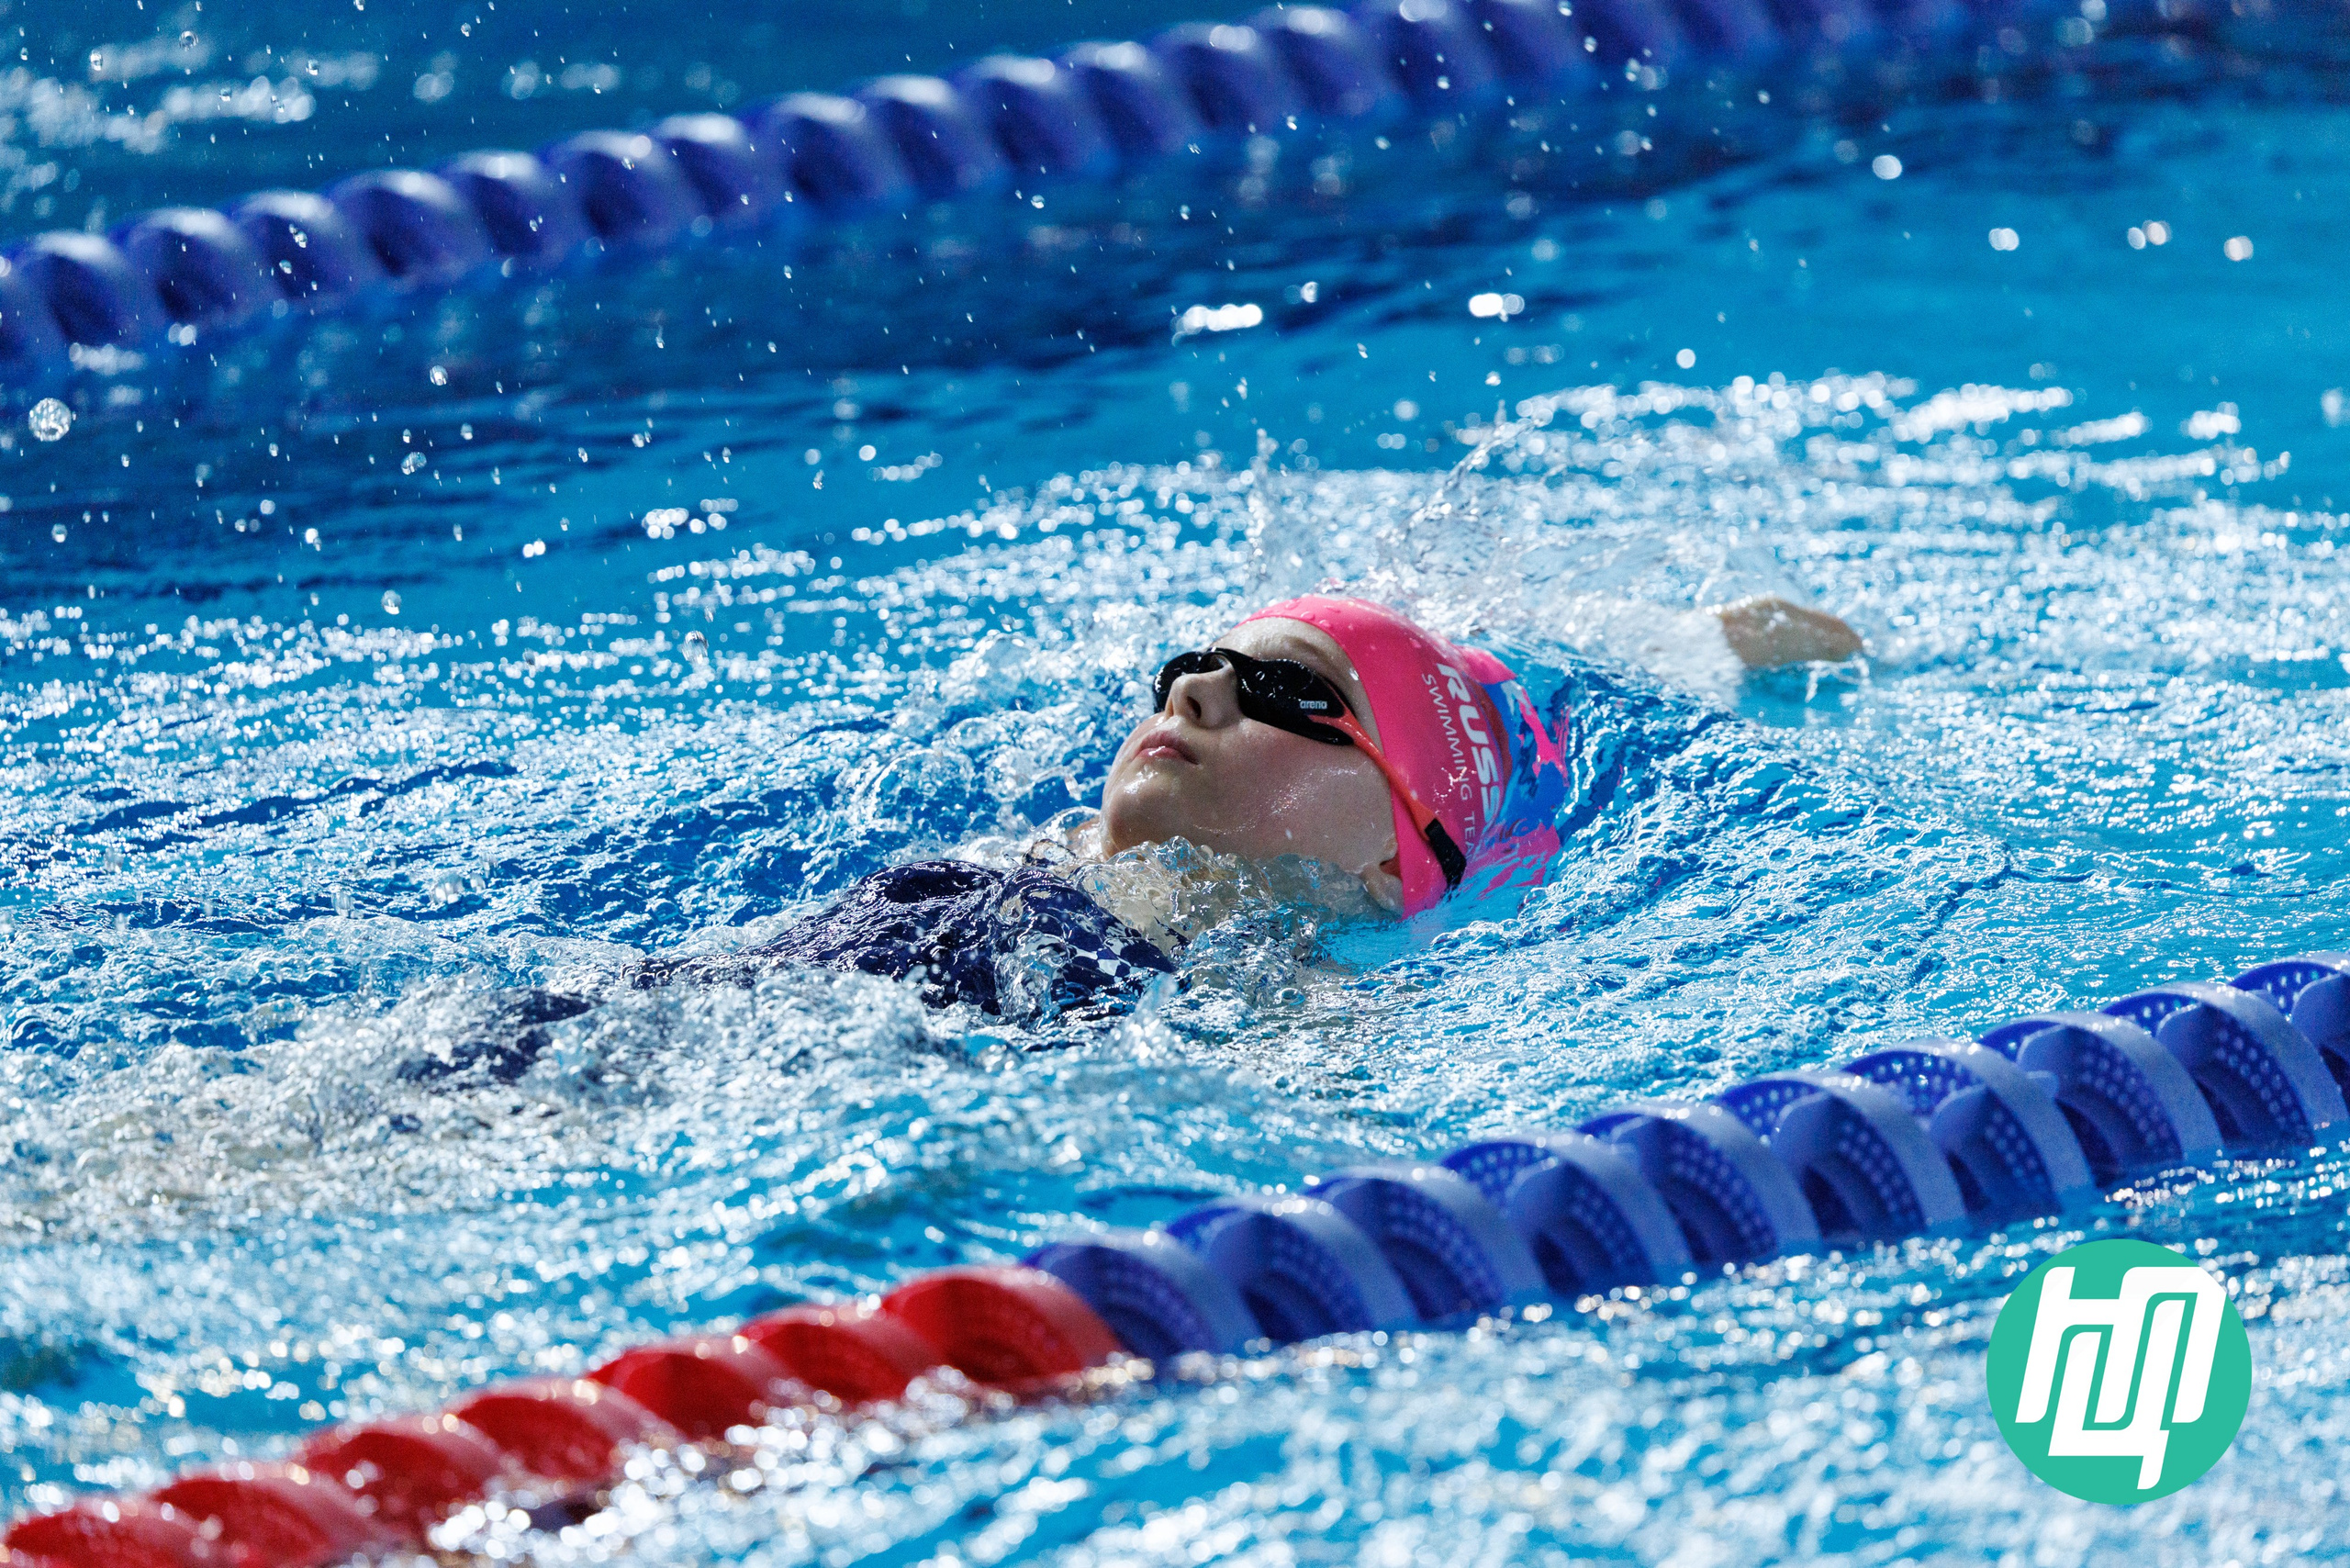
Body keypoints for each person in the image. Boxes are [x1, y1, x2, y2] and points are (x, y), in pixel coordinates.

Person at [632, 589, 1862, 1022]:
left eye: (1289, 689)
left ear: (1396, 854)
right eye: (1194, 664)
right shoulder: (994, 867)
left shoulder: (1301, 1020)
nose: (1204, 686)